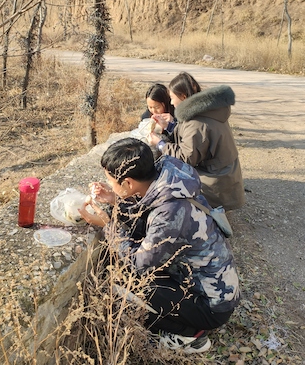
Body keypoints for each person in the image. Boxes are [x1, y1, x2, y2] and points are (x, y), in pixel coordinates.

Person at [79, 137, 240, 354]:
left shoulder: (170, 212)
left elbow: (139, 263)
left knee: (124, 284)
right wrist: (116, 200)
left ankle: (190, 336)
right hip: (211, 288)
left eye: (112, 182)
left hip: (211, 305)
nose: (109, 185)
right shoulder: (168, 179)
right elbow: (147, 214)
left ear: (128, 183)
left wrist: (109, 226)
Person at [148, 72, 246, 211]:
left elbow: (186, 157)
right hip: (225, 176)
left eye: (172, 98)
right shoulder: (206, 111)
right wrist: (169, 126)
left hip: (217, 184)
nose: (171, 103)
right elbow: (193, 138)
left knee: (167, 184)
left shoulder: (197, 122)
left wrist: (160, 144)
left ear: (183, 97)